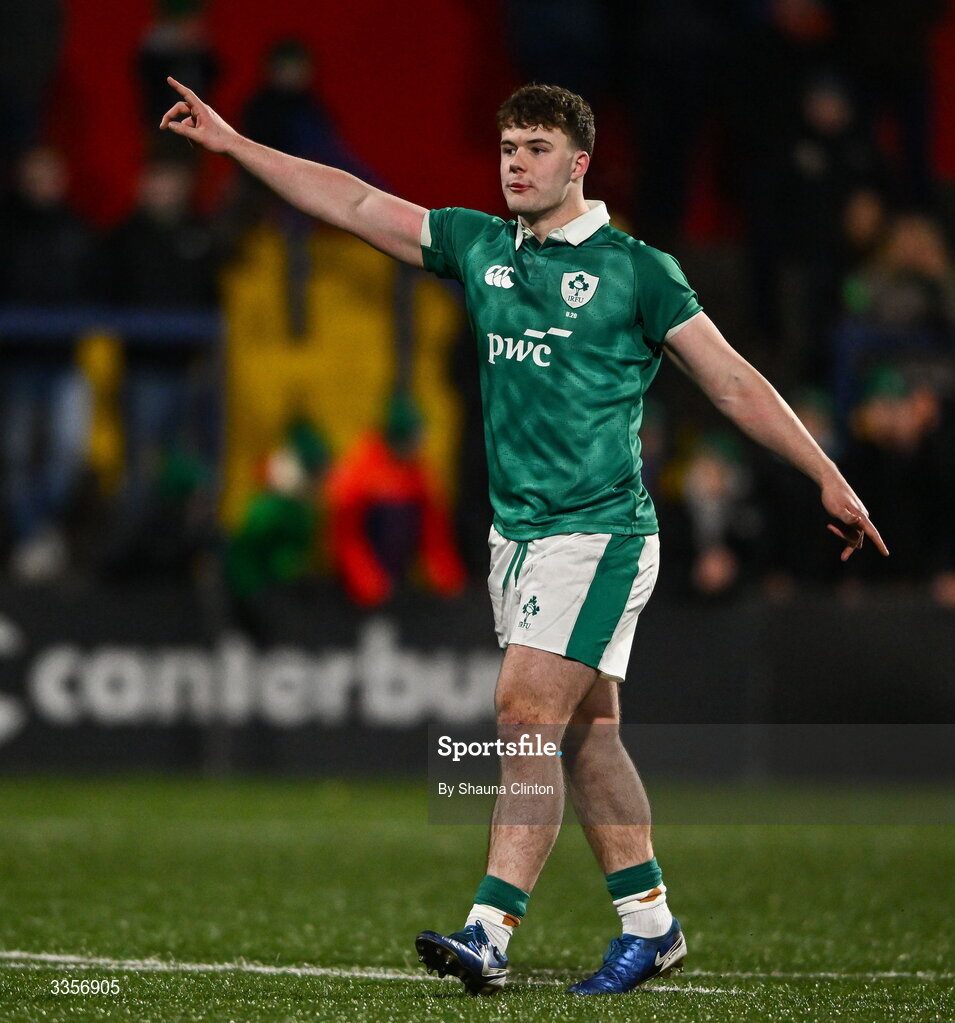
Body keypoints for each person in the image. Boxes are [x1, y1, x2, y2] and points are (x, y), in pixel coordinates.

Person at [160, 77, 888, 996]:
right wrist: (235, 145)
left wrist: (823, 470)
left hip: (601, 530)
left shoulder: (637, 270)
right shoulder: (477, 245)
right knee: (587, 737)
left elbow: (732, 381)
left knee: (522, 714)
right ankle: (651, 922)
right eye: (507, 148)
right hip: (521, 536)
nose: (514, 164)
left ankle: (488, 929)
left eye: (535, 149)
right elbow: (349, 199)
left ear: (577, 163)